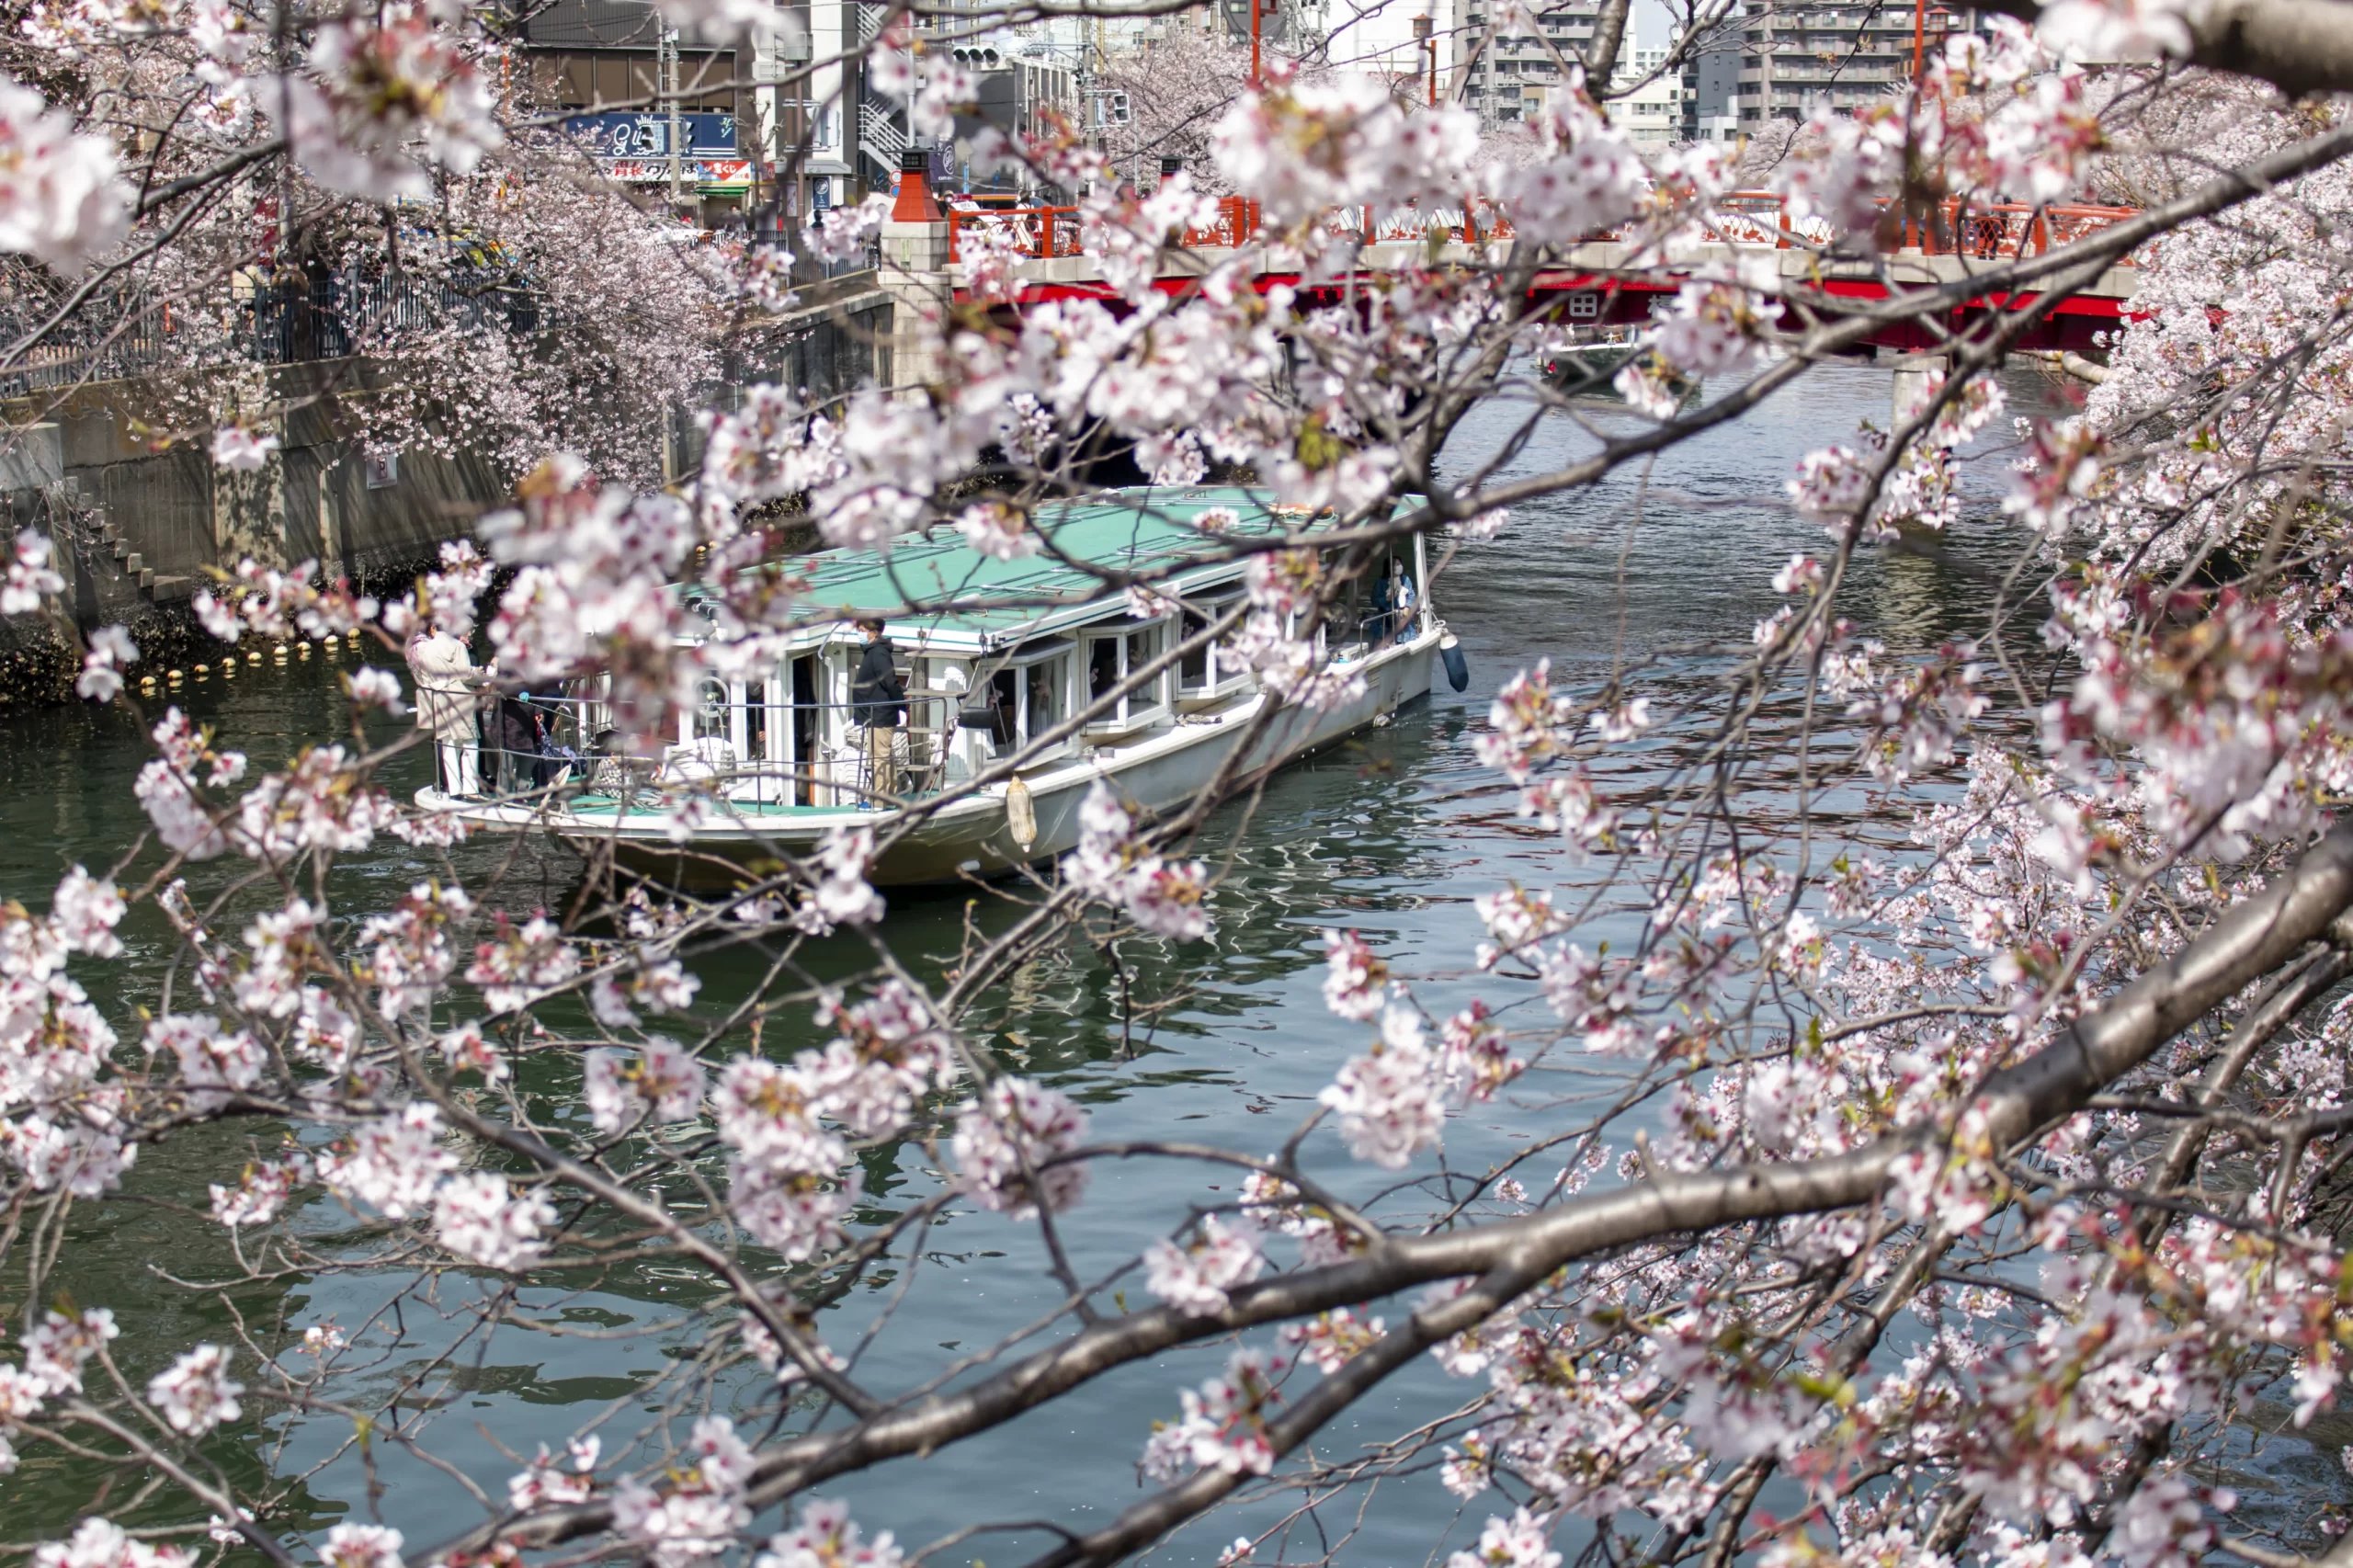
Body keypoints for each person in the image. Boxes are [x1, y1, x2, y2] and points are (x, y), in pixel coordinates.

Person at [408, 620, 484, 798]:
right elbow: (465, 675)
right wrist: (479, 675)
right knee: (469, 742)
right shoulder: (457, 645)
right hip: (459, 697)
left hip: (437, 698)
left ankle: (454, 789)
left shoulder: (424, 648)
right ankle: (471, 789)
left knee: (448, 742)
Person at [849, 617, 905, 803]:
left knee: (879, 757)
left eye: (862, 630)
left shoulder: (879, 653)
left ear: (873, 633)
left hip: (880, 714)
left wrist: (902, 705)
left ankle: (879, 800)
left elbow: (889, 681)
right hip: (875, 714)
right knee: (883, 755)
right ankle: (889, 797)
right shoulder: (873, 652)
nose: (860, 634)